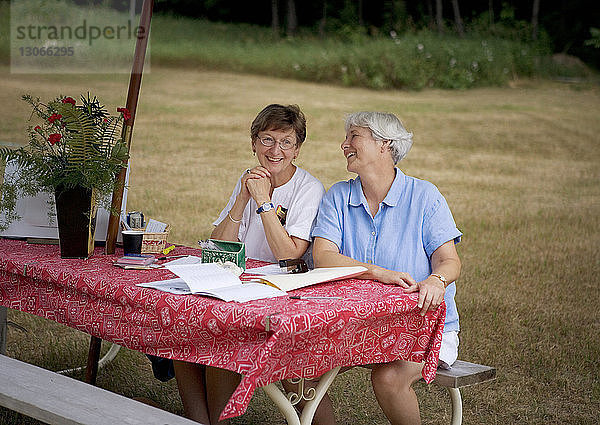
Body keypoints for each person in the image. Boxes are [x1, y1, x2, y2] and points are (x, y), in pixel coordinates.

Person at [173, 104, 328, 425]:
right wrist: (244, 197)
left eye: (286, 142)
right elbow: (219, 248)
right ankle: (199, 419)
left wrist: (262, 201)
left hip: (284, 291)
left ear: (297, 149)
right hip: (241, 284)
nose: (275, 150)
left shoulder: (308, 188)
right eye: (267, 139)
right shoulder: (249, 180)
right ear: (254, 143)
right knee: (183, 331)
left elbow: (290, 256)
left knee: (221, 340)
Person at [311, 111, 462, 425]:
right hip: (355, 326)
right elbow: (323, 255)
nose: (344, 144)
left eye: (354, 136)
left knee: (389, 378)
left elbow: (449, 261)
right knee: (298, 367)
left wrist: (436, 280)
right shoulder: (338, 196)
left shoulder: (424, 196)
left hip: (422, 329)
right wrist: (378, 272)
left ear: (385, 145)